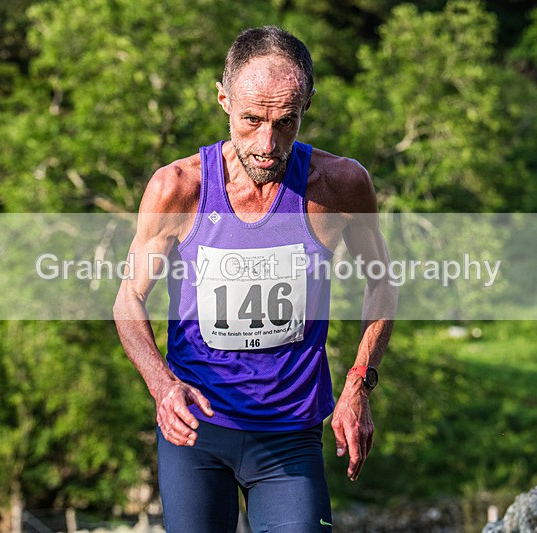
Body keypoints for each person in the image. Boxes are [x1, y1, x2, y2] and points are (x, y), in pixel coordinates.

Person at [113, 25, 398, 533]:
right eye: (251, 120)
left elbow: (382, 283)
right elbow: (129, 297)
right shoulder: (178, 187)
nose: (268, 144)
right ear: (223, 100)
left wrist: (359, 383)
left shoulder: (340, 186)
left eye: (286, 122)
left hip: (291, 435)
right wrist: (162, 385)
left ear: (307, 105)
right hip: (197, 430)